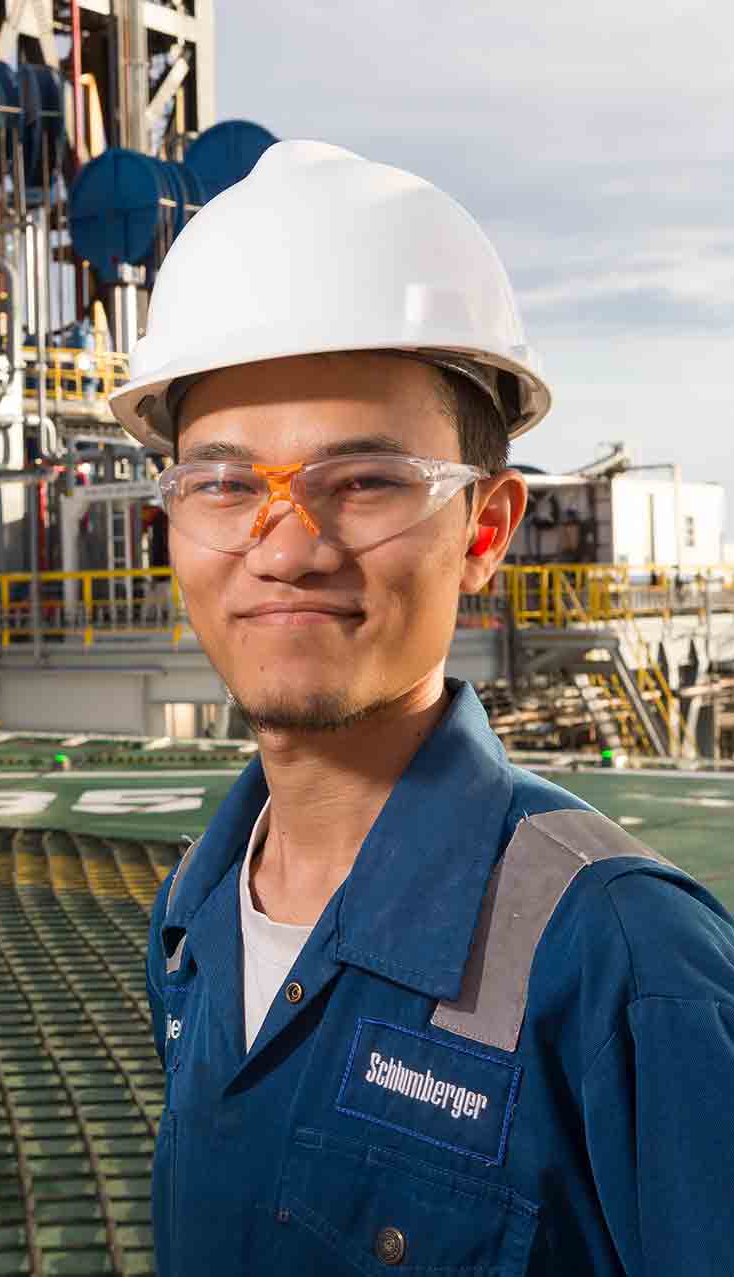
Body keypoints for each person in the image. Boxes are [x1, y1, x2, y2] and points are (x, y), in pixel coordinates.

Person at [109, 141, 734, 1276]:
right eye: (222, 482)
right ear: (170, 524)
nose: (286, 547)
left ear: (485, 529)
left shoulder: (625, 967)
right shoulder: (194, 918)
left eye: (364, 482)